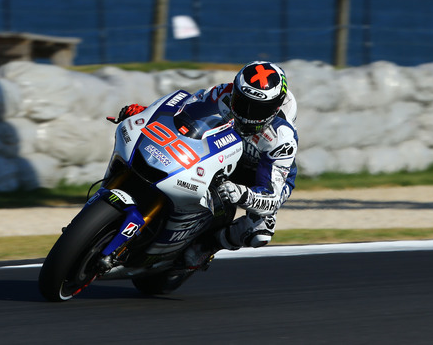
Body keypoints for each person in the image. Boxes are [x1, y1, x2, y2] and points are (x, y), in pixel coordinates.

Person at [109, 60, 299, 269]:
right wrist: (145, 113)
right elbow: (183, 111)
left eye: (258, 109)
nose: (246, 113)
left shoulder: (282, 139)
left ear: (275, 108)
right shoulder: (222, 94)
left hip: (260, 177)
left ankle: (208, 246)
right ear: (235, 90)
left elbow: (272, 198)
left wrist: (243, 195)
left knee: (259, 233)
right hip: (224, 157)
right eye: (242, 102)